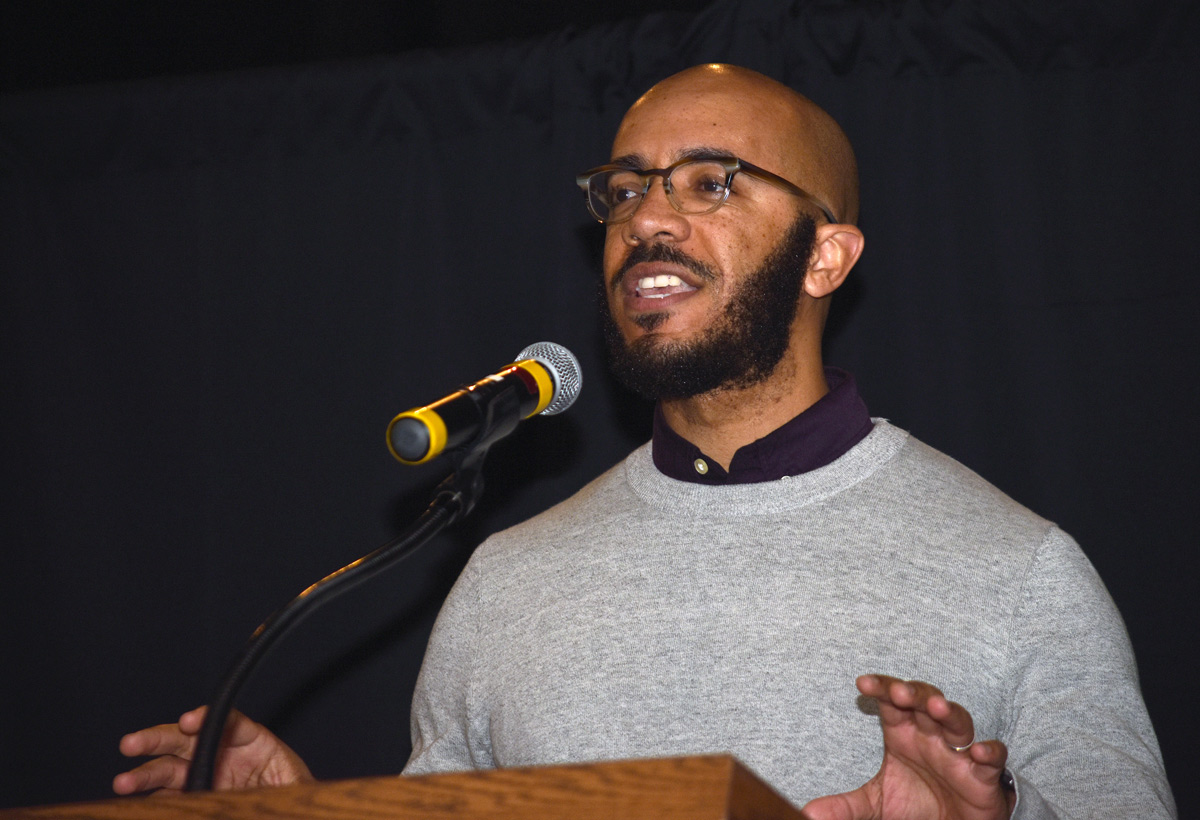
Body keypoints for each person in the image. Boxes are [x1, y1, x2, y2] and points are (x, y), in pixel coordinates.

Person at [114, 64, 1175, 819]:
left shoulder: (1018, 567)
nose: (648, 219)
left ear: (827, 256)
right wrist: (304, 818)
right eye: (626, 187)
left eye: (711, 181)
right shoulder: (507, 579)